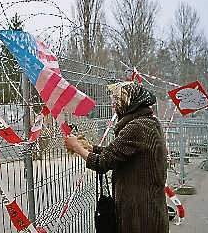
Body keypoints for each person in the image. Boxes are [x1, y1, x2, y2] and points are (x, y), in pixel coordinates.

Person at [64, 81, 169, 233]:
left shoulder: (136, 127)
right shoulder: (148, 122)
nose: (113, 105)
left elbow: (102, 163)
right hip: (148, 204)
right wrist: (90, 148)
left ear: (129, 101)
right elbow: (120, 152)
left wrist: (76, 147)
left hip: (140, 213)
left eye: (116, 100)